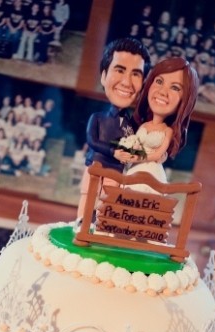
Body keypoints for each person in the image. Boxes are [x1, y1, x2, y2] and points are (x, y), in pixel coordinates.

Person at [76, 37, 150, 224]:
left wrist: (135, 155)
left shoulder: (132, 126)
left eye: (136, 74)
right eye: (119, 70)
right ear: (103, 76)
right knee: (88, 200)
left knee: (106, 204)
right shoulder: (98, 118)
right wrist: (112, 151)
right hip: (95, 167)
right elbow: (92, 141)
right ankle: (81, 225)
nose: (126, 81)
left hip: (116, 174)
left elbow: (137, 149)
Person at [124, 57, 198, 193]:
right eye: (159, 81)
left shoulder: (167, 131)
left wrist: (139, 157)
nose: (163, 92)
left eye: (175, 88)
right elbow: (134, 145)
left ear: (185, 99)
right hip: (133, 168)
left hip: (150, 172)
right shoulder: (143, 125)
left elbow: (158, 155)